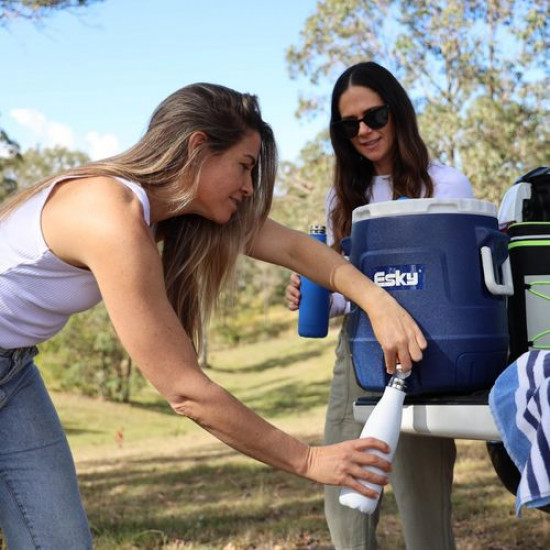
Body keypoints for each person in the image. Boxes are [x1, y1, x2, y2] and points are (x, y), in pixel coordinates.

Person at [0, 82, 428, 549]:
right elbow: (186, 392)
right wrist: (309, 460)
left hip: (15, 374)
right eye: (244, 167)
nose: (249, 187)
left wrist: (378, 302)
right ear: (198, 148)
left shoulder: (168, 214)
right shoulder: (111, 217)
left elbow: (292, 246)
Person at [286, 62, 474, 550]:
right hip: (357, 356)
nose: (364, 131)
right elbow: (338, 296)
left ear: (398, 112)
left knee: (423, 505)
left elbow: (464, 284)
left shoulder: (447, 185)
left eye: (374, 116)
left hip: (424, 356)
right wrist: (311, 296)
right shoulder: (342, 197)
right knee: (345, 499)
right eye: (350, 125)